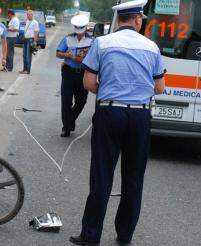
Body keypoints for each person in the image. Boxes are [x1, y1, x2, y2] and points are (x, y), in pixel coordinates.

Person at [69, 0, 165, 245]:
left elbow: (89, 83)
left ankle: (91, 236)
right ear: (137, 20)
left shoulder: (102, 43)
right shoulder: (151, 46)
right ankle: (125, 235)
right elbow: (159, 88)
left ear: (119, 20)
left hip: (110, 113)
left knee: (101, 176)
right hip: (140, 116)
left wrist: (111, 92)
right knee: (133, 178)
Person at [56, 15, 92, 137]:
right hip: (69, 72)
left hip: (83, 73)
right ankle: (66, 127)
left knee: (81, 100)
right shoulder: (68, 38)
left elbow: (95, 58)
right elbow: (58, 53)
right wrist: (69, 56)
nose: (79, 33)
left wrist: (83, 59)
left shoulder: (92, 41)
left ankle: (71, 119)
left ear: (86, 28)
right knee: (66, 100)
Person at [20, 10, 39, 75]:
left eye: (28, 15)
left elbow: (36, 32)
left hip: (30, 40)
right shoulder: (27, 21)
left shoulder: (35, 22)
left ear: (32, 15)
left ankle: (28, 70)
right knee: (24, 55)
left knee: (28, 56)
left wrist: (35, 41)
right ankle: (24, 69)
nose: (27, 16)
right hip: (25, 39)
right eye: (27, 14)